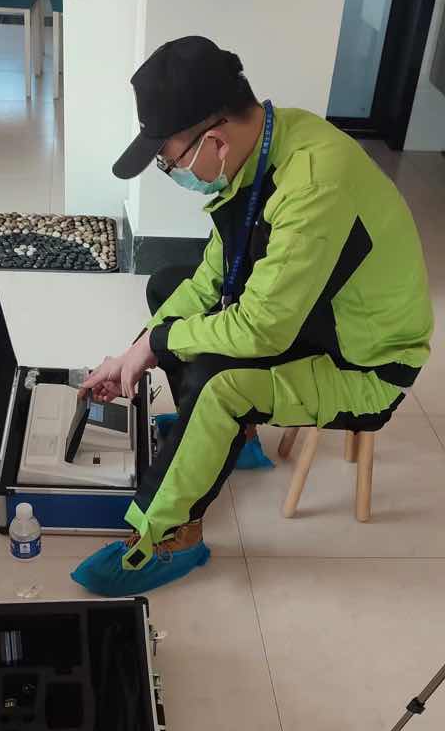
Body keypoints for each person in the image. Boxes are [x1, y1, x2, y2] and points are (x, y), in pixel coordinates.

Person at [72, 36, 433, 596]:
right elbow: (212, 279)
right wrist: (136, 350)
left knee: (218, 383)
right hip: (315, 312)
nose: (172, 172)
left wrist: (158, 345)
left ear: (213, 141)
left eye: (169, 161)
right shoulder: (263, 148)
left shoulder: (313, 182)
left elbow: (263, 328)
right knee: (169, 288)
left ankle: (168, 537)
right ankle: (230, 438)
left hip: (365, 361)